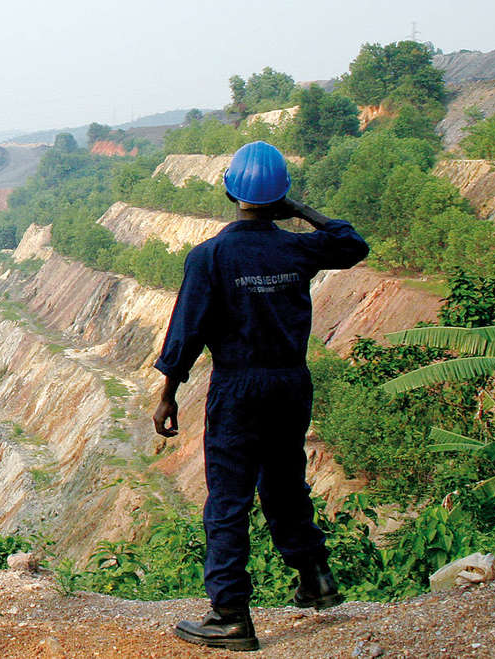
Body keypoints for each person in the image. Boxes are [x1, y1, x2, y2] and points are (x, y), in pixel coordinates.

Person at [151, 141, 368, 652]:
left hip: (239, 387)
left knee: (228, 498)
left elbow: (187, 332)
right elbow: (352, 244)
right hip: (290, 384)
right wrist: (300, 212)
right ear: (281, 197)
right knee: (286, 484)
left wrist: (168, 394)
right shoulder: (297, 248)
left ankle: (229, 614)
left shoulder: (210, 256)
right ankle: (315, 578)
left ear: (230, 190)